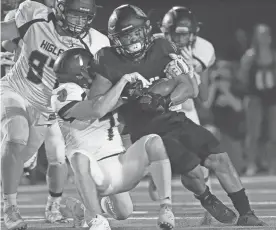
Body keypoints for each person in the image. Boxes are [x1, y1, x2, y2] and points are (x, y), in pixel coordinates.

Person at [91, 4, 267, 227]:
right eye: (127, 35)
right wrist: (126, 96)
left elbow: (190, 88)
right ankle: (206, 197)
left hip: (172, 117)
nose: (134, 39)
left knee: (219, 157)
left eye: (137, 32)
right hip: (141, 130)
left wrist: (164, 100)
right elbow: (96, 107)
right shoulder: (108, 60)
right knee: (192, 169)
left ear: (146, 31)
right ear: (116, 39)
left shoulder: (161, 46)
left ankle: (246, 212)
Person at [0, 0, 109, 229]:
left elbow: (101, 82)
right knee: (15, 134)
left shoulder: (95, 42)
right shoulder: (36, 16)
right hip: (15, 89)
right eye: (74, 15)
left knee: (21, 158)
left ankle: (47, 202)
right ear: (60, 10)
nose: (80, 22)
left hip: (46, 107)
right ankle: (9, 208)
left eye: (84, 16)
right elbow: (3, 32)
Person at [51, 47, 175, 230]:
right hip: (92, 163)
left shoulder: (103, 88)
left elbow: (118, 109)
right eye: (91, 69)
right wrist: (124, 83)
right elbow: (96, 109)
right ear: (80, 74)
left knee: (124, 212)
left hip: (116, 160)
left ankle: (79, 208)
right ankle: (95, 218)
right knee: (79, 158)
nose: (96, 72)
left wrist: (166, 75)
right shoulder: (65, 92)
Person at [148, 6, 215, 212]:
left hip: (185, 108)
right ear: (165, 32)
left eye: (185, 35)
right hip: (157, 110)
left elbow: (201, 96)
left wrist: (190, 69)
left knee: (202, 169)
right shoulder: (152, 45)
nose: (180, 40)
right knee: (156, 184)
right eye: (176, 34)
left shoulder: (202, 49)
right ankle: (156, 171)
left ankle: (210, 205)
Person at [239, 24, 276, 176]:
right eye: (260, 34)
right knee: (253, 132)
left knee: (274, 133)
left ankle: (273, 164)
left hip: (272, 96)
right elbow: (242, 76)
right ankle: (251, 164)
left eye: (266, 34)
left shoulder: (274, 54)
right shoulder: (250, 55)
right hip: (254, 96)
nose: (263, 38)